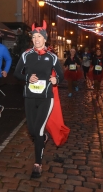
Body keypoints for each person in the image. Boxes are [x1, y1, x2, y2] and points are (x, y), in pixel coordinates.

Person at [13, 20, 64, 178]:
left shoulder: (52, 57)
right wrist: (28, 77)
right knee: (32, 130)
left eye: (39, 36)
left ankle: (37, 164)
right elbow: (16, 73)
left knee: (39, 129)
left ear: (45, 38)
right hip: (29, 97)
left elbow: (61, 75)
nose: (36, 39)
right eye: (34, 36)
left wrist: (57, 80)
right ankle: (43, 138)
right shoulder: (26, 55)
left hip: (45, 98)